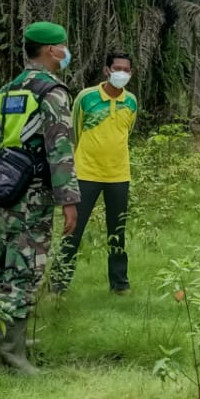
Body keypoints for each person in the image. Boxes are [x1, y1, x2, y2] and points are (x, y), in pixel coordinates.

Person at [0, 21, 80, 375]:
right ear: (49, 50)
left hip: (7, 185)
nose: (65, 52)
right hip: (33, 192)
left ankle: (10, 338)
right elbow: (59, 149)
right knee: (26, 268)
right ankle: (11, 356)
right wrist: (69, 200)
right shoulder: (51, 91)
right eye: (63, 46)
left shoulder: (10, 89)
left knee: (6, 264)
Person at [55, 52, 138, 295]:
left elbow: (127, 132)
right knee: (73, 229)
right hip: (86, 174)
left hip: (119, 176)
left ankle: (120, 284)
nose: (121, 73)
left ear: (130, 73)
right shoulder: (86, 97)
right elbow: (75, 132)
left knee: (117, 231)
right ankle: (58, 284)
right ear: (106, 70)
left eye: (126, 69)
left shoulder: (131, 101)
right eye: (117, 68)